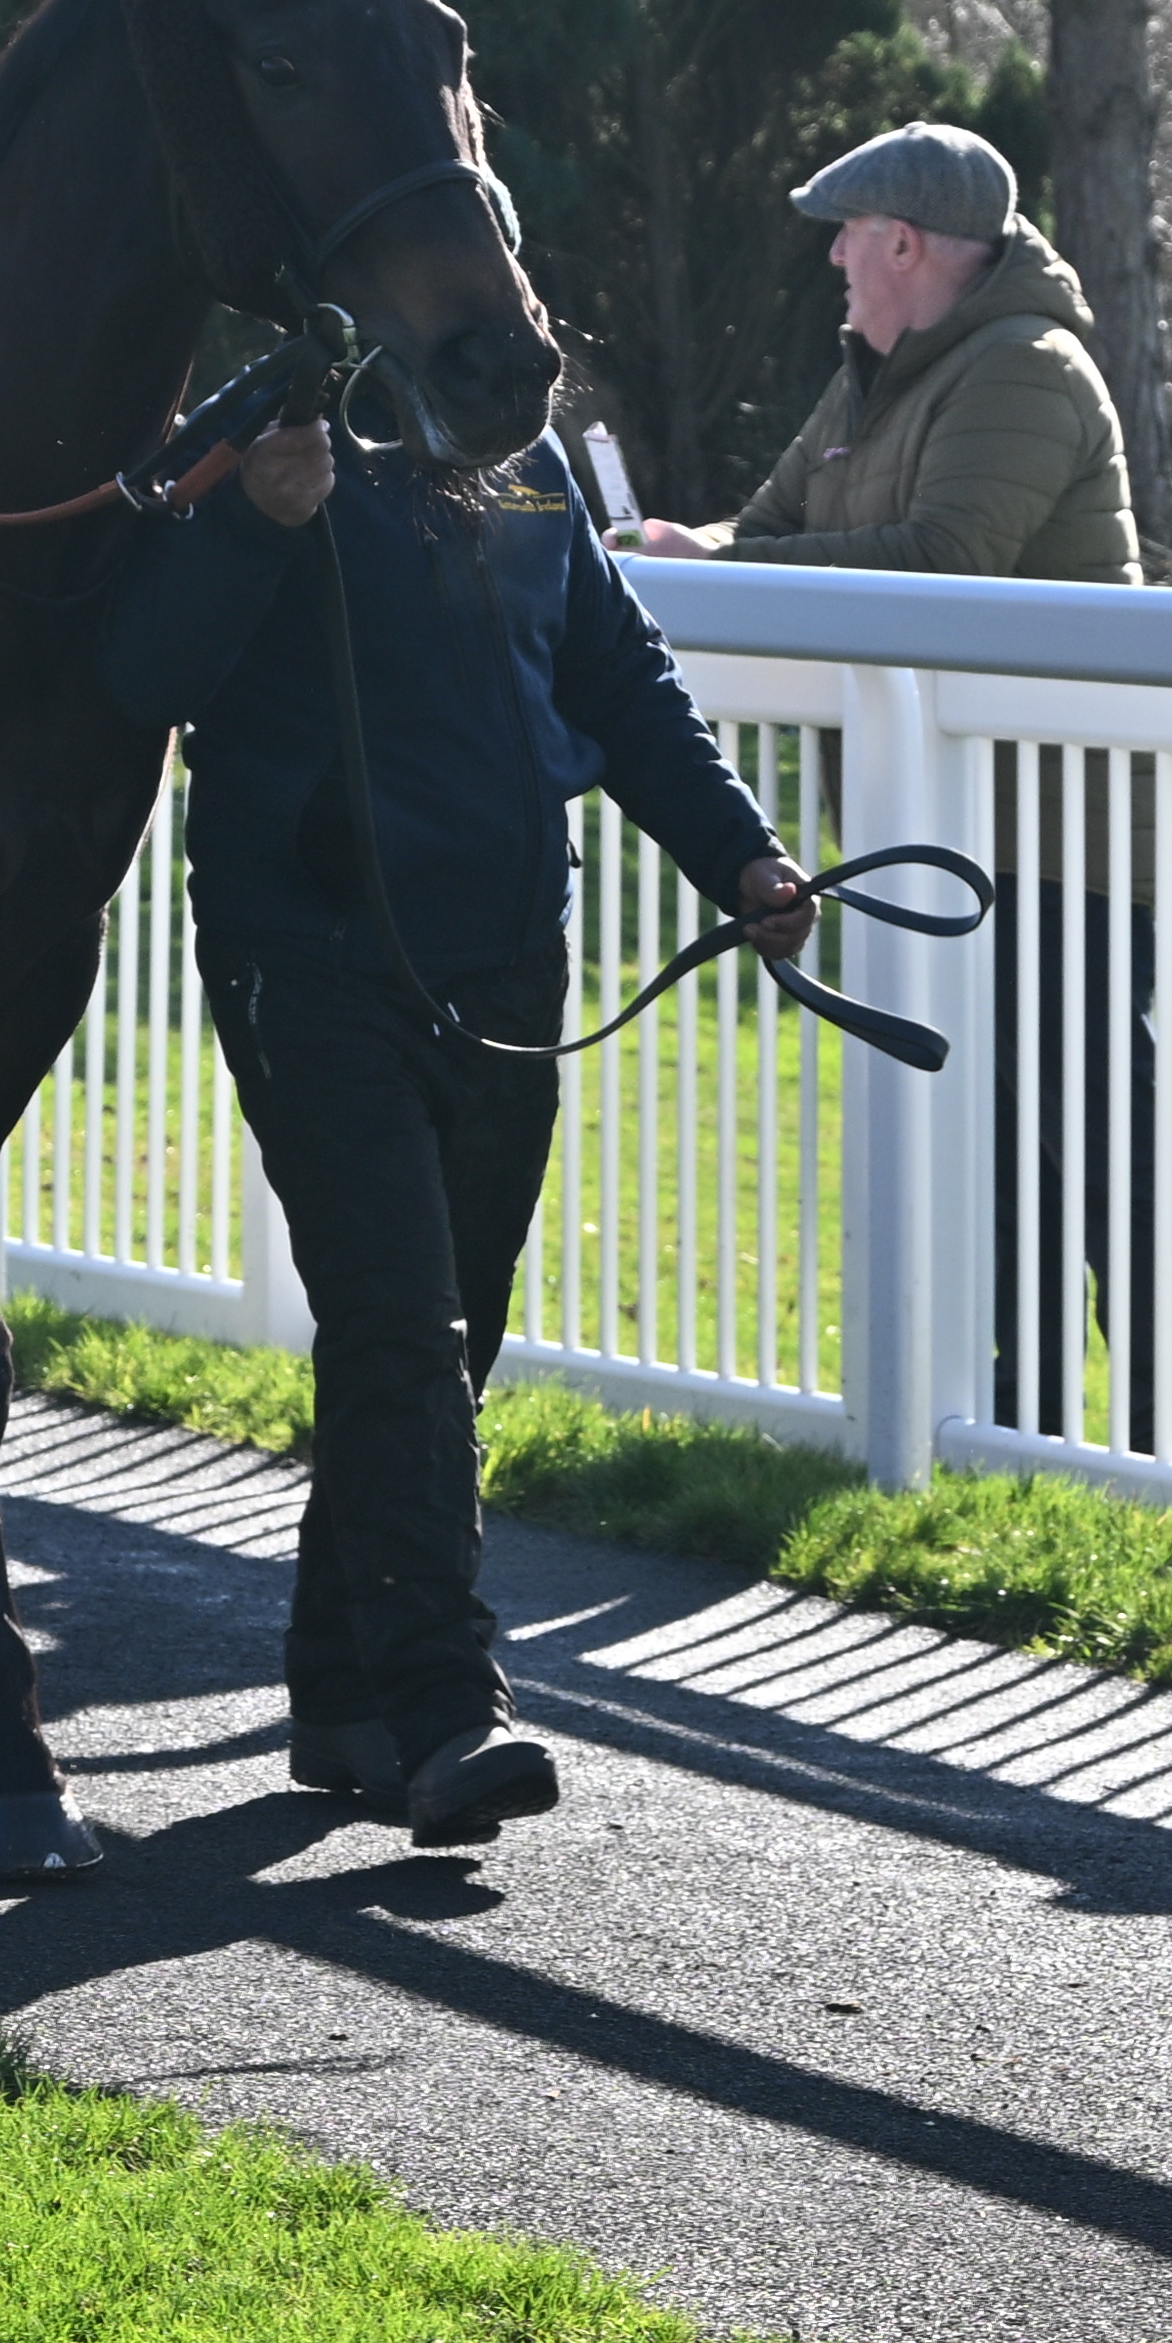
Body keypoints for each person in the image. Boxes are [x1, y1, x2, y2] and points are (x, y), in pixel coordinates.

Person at [107, 409, 814, 1849]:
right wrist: (253, 523)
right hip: (306, 964)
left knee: (448, 1336)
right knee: (400, 1330)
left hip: (508, 963)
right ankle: (446, 1711)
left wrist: (738, 851)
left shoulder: (527, 456)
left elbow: (618, 676)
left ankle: (345, 1695)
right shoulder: (258, 441)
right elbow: (139, 677)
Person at [628, 122, 1172, 1453]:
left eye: (847, 232)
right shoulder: (870, 383)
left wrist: (715, 575)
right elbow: (766, 535)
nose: (831, 257)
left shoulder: (1030, 370)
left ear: (905, 244)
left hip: (1056, 847)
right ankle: (1036, 1443)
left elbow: (944, 557)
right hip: (936, 844)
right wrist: (672, 552)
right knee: (1000, 1165)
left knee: (1101, 1156)